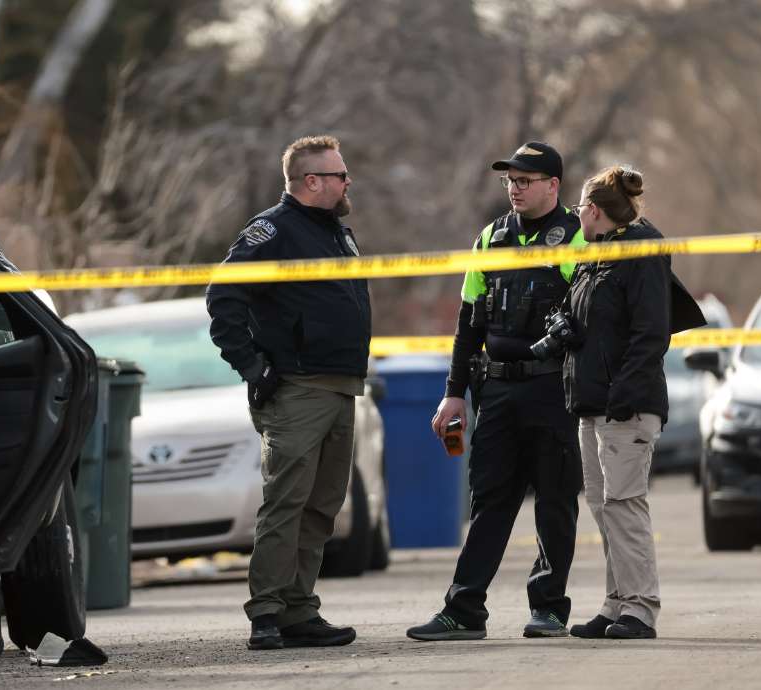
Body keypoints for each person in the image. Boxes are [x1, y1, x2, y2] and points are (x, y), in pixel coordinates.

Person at [406, 141, 587, 641]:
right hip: (500, 391)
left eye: (525, 180)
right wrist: (454, 392)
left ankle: (548, 608)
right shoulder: (491, 237)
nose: (515, 188)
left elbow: (589, 318)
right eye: (510, 180)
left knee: (554, 501)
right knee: (490, 501)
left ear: (553, 185)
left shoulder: (576, 237)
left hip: (553, 389)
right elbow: (469, 323)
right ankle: (463, 611)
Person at [207, 135, 372, 651]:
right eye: (339, 174)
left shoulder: (335, 233)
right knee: (286, 503)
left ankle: (300, 609)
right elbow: (224, 299)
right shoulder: (273, 230)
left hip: (340, 386)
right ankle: (267, 613)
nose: (348, 182)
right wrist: (253, 367)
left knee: (323, 506)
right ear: (311, 181)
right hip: (298, 390)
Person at [562, 166, 701, 640]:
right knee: (604, 506)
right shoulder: (594, 256)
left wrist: (623, 394)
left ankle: (640, 609)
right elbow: (596, 327)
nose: (577, 214)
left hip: (626, 405)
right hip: (593, 404)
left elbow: (650, 332)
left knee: (625, 504)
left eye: (580, 207)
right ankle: (616, 602)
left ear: (594, 210)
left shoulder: (642, 251)